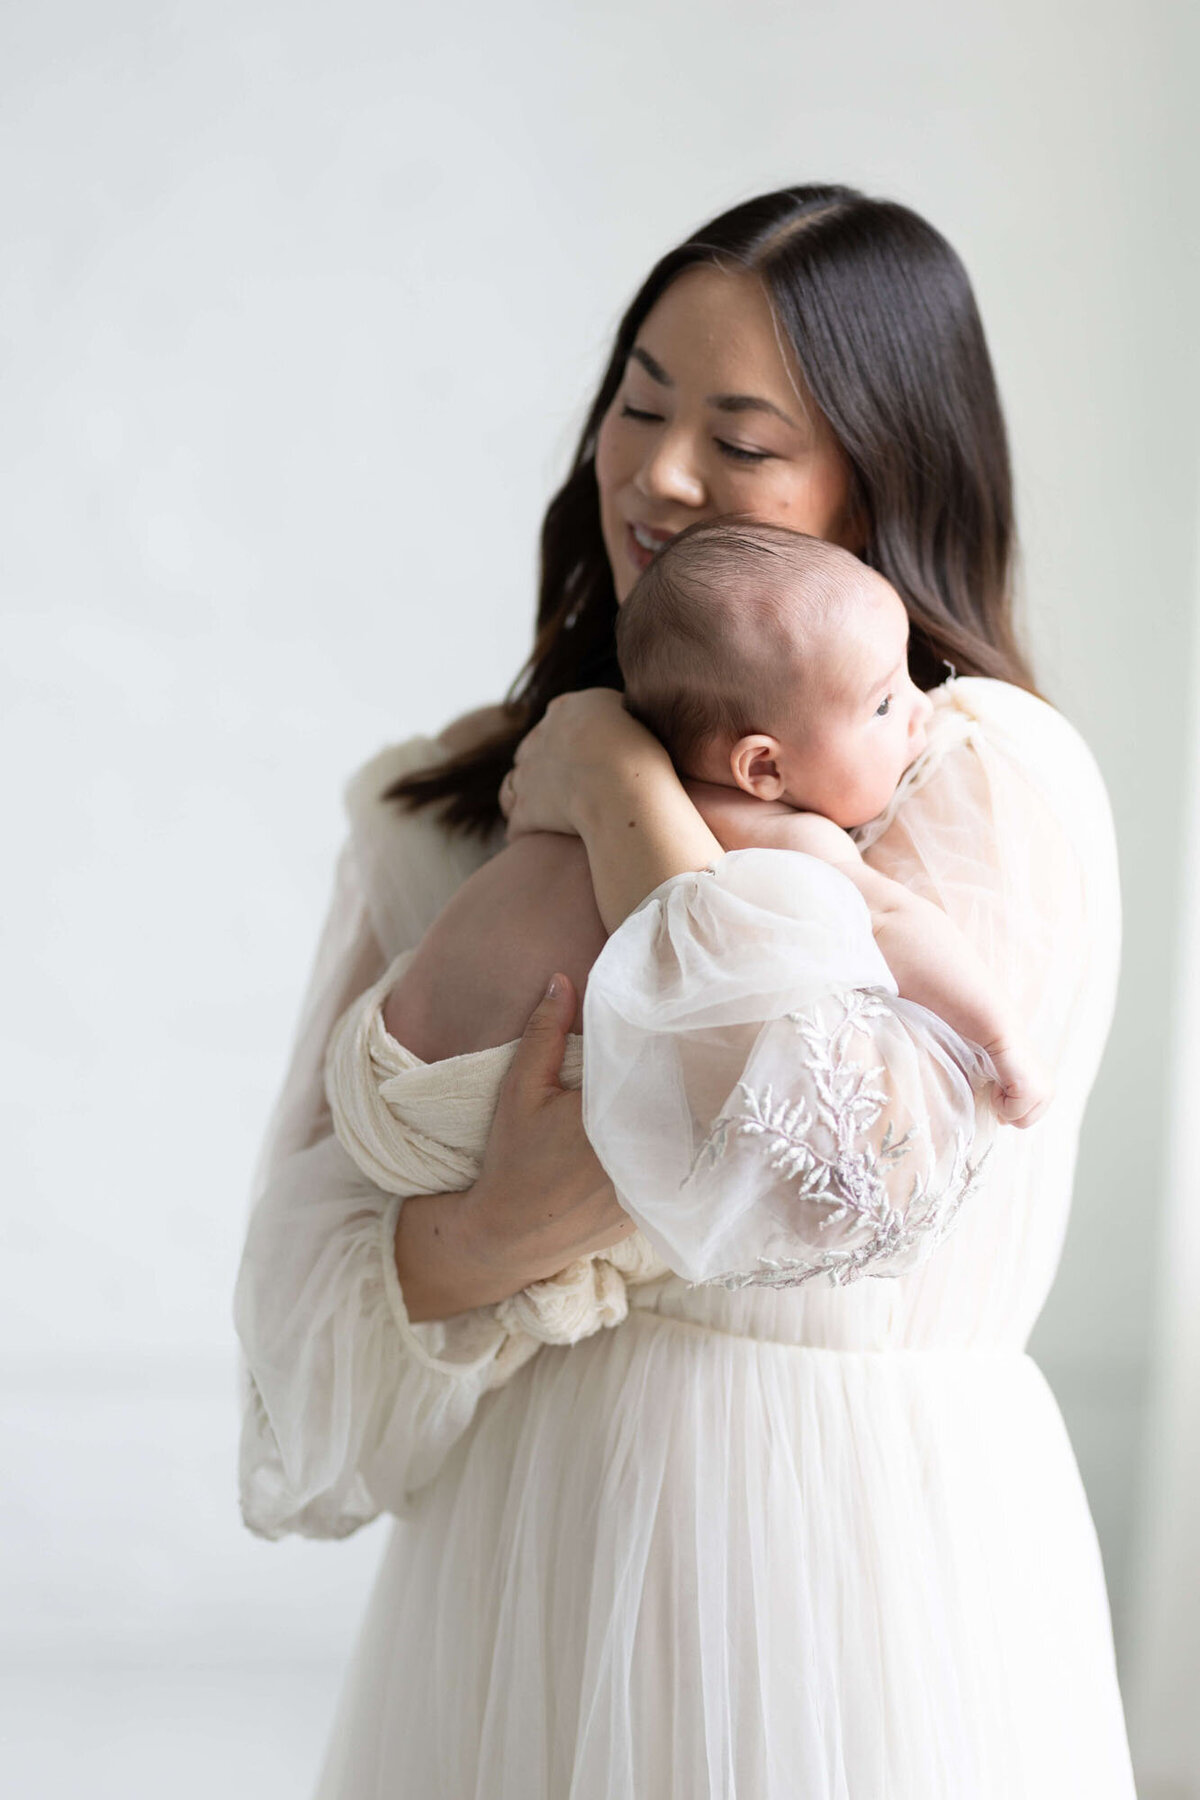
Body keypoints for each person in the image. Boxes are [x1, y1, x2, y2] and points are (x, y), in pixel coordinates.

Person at [233, 185, 1137, 1797]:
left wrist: (626, 799)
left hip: (852, 1593)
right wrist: (498, 1231)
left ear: (883, 476)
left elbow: (834, 1168)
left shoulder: (976, 770)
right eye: (638, 404)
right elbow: (298, 1343)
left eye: (739, 435)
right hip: (518, 1593)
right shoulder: (443, 815)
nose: (656, 471)